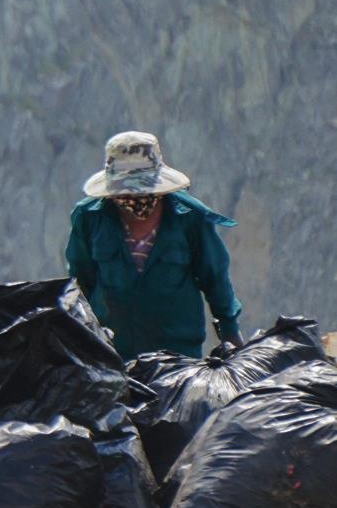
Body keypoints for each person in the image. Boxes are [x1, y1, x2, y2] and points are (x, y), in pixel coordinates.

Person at [65, 131, 243, 360]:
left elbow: (214, 277)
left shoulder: (188, 218)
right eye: (127, 192)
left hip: (178, 357)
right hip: (112, 355)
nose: (136, 198)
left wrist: (230, 333)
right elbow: (81, 284)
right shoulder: (90, 218)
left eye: (143, 191)